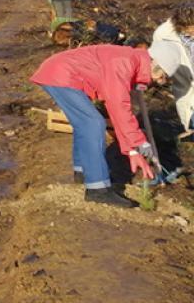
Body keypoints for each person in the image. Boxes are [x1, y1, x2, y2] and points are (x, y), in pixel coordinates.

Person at [30, 44, 168, 207]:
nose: (152, 84)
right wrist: (138, 143)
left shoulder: (133, 61)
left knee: (85, 124)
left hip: (59, 72)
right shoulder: (125, 63)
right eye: (158, 80)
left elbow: (116, 111)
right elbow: (119, 107)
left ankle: (83, 173)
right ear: (158, 72)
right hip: (61, 75)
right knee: (93, 124)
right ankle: (98, 189)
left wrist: (131, 150)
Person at [151, 3, 194, 139]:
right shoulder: (162, 34)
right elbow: (157, 59)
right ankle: (190, 128)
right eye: (191, 30)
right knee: (186, 102)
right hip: (184, 78)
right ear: (180, 26)